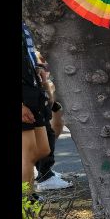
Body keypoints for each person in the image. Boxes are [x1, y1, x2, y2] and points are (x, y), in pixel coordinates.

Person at [33, 52, 73, 191]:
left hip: (47, 92)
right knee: (44, 137)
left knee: (53, 131)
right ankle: (44, 175)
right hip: (40, 93)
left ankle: (43, 171)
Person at [22, 23, 51, 193]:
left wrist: (37, 68)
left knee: (42, 149)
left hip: (33, 90)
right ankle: (28, 205)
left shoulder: (24, 26)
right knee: (27, 153)